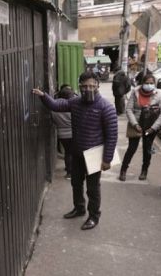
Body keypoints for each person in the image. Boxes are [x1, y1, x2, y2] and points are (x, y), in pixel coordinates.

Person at [32, 72, 118, 230]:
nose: (88, 89)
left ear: (98, 86)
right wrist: (43, 95)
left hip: (94, 155)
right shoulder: (75, 102)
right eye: (84, 86)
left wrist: (107, 159)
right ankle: (79, 208)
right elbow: (56, 105)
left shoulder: (106, 108)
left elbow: (112, 136)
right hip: (77, 153)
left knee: (92, 189)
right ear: (79, 86)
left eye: (92, 85)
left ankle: (94, 216)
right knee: (76, 183)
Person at [119, 74, 161, 181]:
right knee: (131, 149)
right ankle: (123, 170)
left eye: (151, 83)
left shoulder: (158, 94)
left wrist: (153, 128)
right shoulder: (135, 92)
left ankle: (144, 171)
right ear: (142, 83)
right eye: (147, 83)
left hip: (150, 126)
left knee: (147, 149)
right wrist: (135, 124)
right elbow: (129, 109)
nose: (149, 85)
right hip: (136, 125)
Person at [51, 85, 75, 179]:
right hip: (73, 133)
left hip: (61, 134)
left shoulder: (54, 105)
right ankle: (71, 171)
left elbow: (52, 119)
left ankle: (68, 171)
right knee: (73, 153)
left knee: (68, 153)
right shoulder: (72, 106)